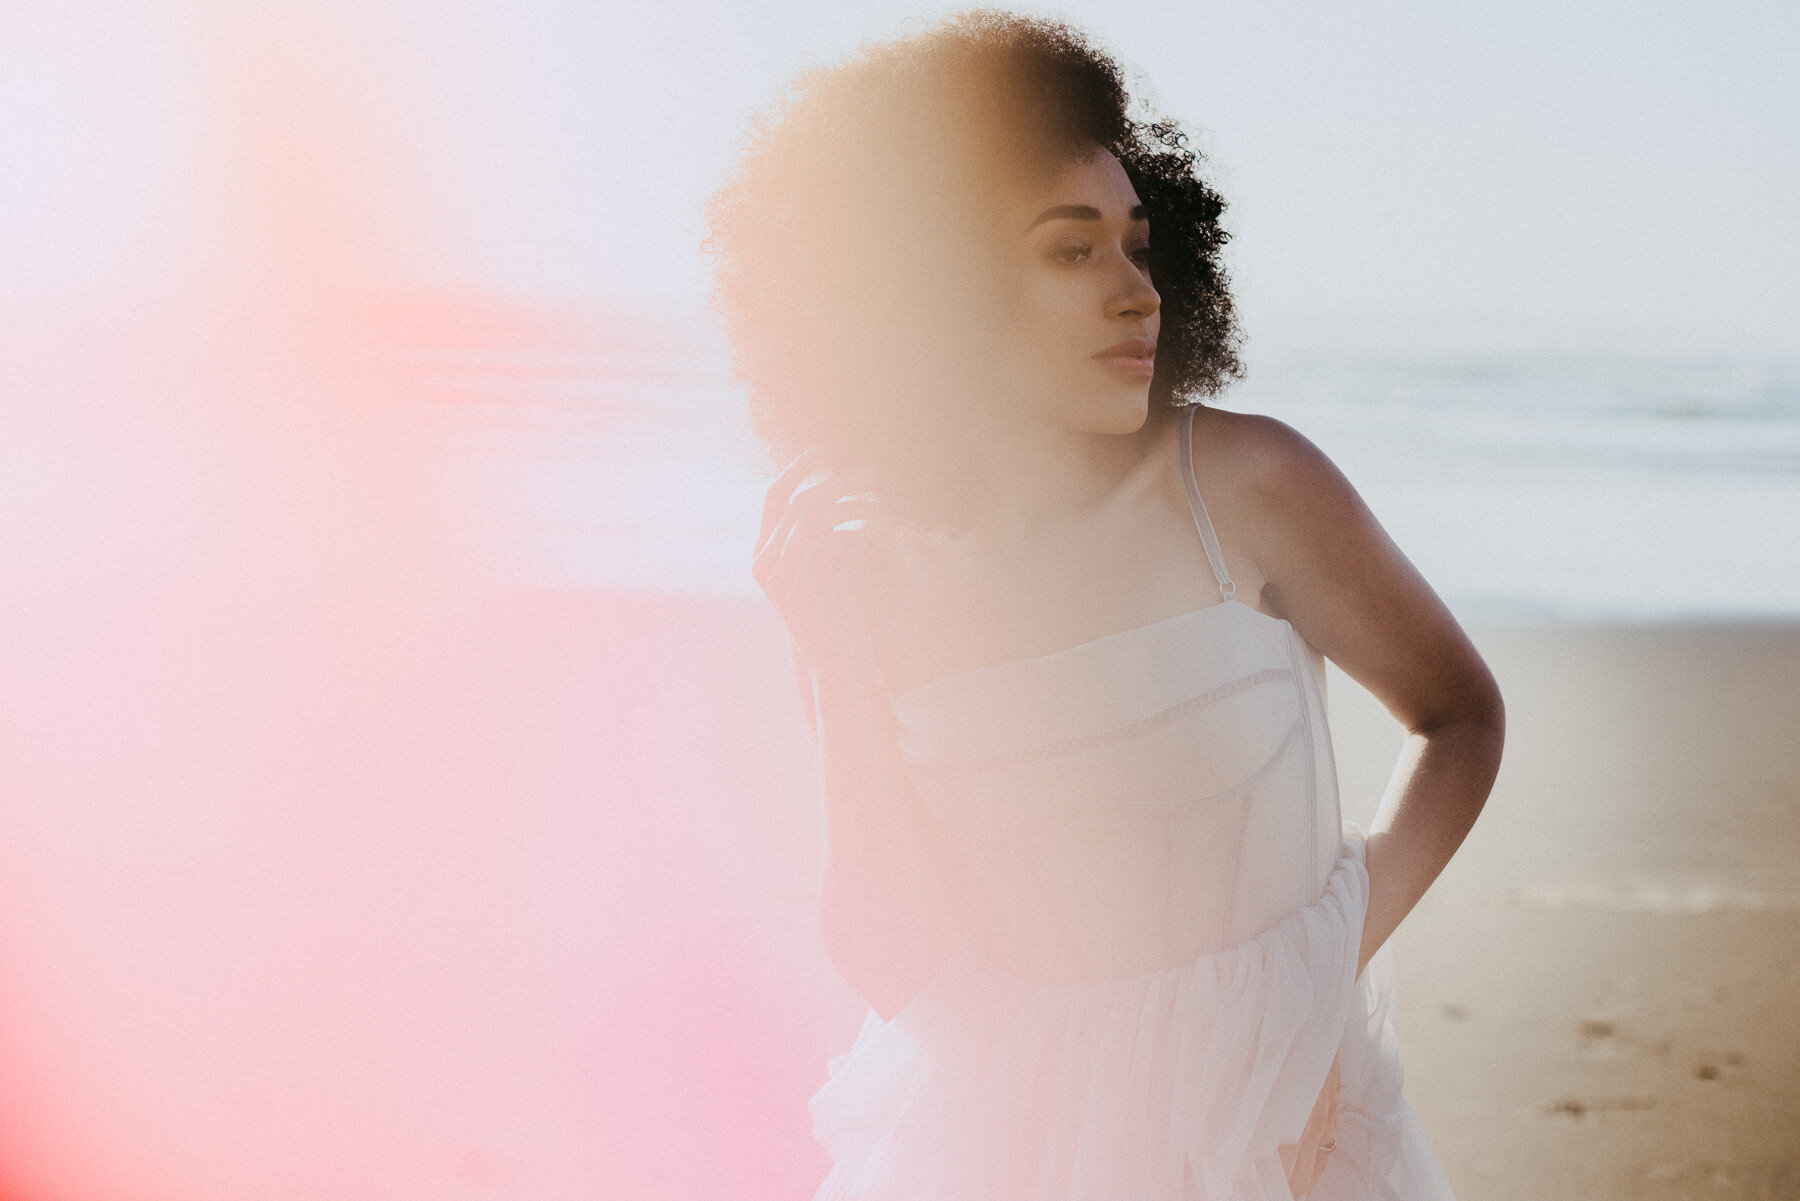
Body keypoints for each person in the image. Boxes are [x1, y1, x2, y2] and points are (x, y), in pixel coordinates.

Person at [705, 10, 1504, 1198]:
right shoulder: (867, 574)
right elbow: (892, 954)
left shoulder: (1247, 486)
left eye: (1138, 246)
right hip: (1002, 1144)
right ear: (937, 287)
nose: (1138, 293)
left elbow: (1458, 717)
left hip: (1280, 1136)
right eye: (1072, 252)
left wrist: (1318, 977)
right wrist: (824, 648)